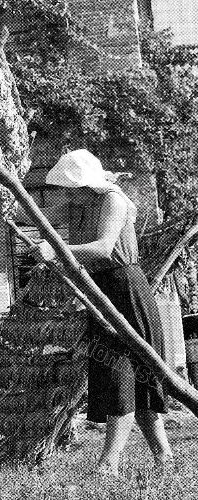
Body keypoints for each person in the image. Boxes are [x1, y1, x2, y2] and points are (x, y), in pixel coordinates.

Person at [23, 149, 172, 476]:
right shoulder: (77, 205)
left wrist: (57, 250)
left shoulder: (114, 202)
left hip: (125, 290)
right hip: (99, 291)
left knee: (131, 372)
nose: (65, 192)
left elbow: (104, 248)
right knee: (114, 370)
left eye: (68, 186)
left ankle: (109, 463)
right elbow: (40, 217)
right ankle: (162, 458)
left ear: (84, 184)